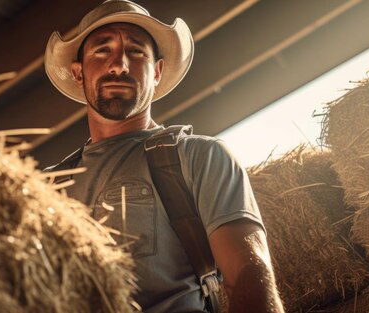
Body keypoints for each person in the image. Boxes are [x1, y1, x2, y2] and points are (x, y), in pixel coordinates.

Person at [43, 1, 284, 312]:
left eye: (136, 52)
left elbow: (249, 273)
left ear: (156, 72)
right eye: (102, 51)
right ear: (78, 73)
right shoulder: (49, 186)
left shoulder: (199, 156)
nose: (119, 65)